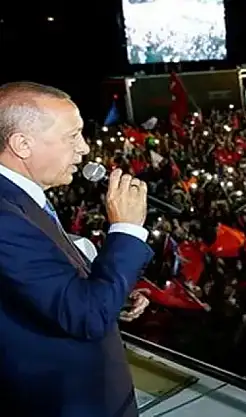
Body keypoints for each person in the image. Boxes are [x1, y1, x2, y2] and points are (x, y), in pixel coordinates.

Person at [0, 82, 153, 417]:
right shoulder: (4, 217)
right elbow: (85, 315)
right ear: (22, 144)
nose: (84, 148)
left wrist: (112, 293)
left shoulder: (21, 201)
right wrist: (126, 229)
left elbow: (48, 293)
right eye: (72, 136)